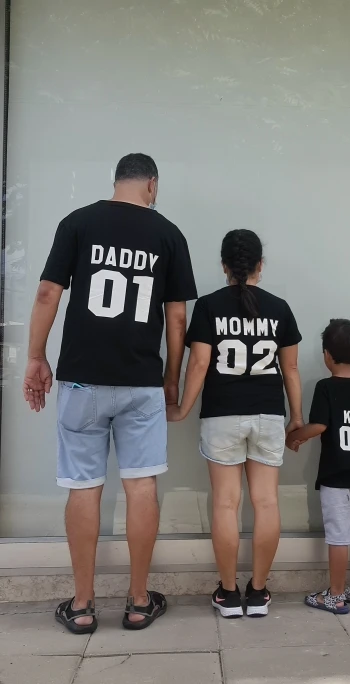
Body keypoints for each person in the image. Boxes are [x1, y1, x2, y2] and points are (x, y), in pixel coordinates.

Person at [23, 153, 197, 634]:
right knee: (141, 486)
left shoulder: (78, 223)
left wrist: (36, 356)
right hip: (141, 382)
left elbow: (47, 294)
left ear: (116, 181)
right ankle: (139, 601)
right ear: (152, 185)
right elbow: (177, 318)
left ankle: (82, 605)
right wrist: (172, 377)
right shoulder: (168, 234)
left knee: (83, 487)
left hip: (82, 379)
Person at [168, 229, 303, 618]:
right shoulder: (280, 308)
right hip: (268, 415)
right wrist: (296, 417)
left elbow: (199, 363)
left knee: (226, 503)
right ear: (261, 265)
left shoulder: (209, 306)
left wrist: (182, 408)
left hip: (222, 415)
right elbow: (290, 369)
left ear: (224, 266)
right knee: (266, 502)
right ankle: (258, 593)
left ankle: (228, 595)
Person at [287, 319, 350, 614]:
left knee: (339, 536)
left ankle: (336, 595)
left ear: (326, 355)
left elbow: (319, 425)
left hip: (336, 477)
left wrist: (294, 437)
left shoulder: (325, 387)